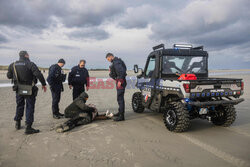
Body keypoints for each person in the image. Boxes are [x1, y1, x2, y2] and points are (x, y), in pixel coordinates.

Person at [7, 51, 47, 134]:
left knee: (19, 105)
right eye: (28, 54)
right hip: (30, 89)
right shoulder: (30, 64)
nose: (29, 55)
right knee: (30, 107)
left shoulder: (13, 65)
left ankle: (17, 123)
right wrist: (43, 84)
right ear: (26, 55)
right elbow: (38, 74)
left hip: (19, 89)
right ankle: (28, 127)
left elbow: (9, 76)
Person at [106, 53, 127, 121]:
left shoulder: (116, 62)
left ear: (111, 56)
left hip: (120, 81)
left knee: (120, 98)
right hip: (119, 80)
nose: (109, 60)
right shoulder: (117, 61)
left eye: (108, 59)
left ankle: (121, 116)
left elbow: (122, 71)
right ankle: (120, 112)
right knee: (119, 97)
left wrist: (120, 81)